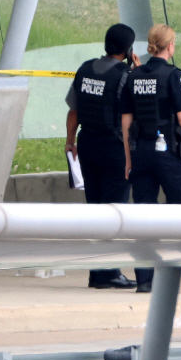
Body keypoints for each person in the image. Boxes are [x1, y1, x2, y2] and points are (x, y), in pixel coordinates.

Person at [121, 24, 181, 294]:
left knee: (144, 218)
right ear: (170, 46)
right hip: (168, 153)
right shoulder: (173, 75)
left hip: (141, 153)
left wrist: (128, 159)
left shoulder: (133, 76)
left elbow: (126, 122)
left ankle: (145, 280)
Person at [65, 23, 139, 290]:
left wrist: (70, 141)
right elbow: (134, 113)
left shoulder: (85, 69)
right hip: (115, 148)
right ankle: (110, 272)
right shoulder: (125, 76)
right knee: (114, 211)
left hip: (87, 145)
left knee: (95, 210)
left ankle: (97, 273)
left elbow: (73, 112)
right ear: (128, 49)